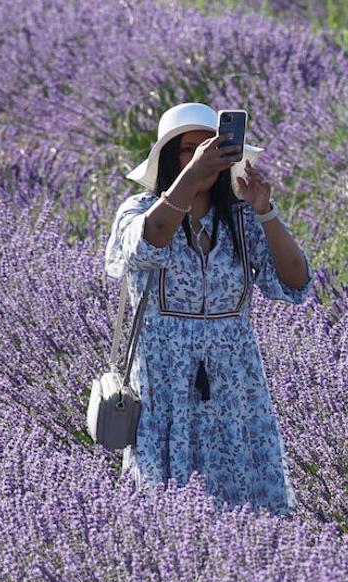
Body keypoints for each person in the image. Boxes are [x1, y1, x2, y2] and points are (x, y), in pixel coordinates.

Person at [104, 102, 311, 514]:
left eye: (209, 148)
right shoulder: (139, 211)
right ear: (168, 159)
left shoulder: (237, 217)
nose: (201, 157)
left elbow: (294, 280)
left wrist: (265, 212)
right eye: (189, 150)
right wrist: (190, 177)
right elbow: (150, 241)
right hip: (166, 379)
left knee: (244, 490)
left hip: (235, 379)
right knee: (168, 500)